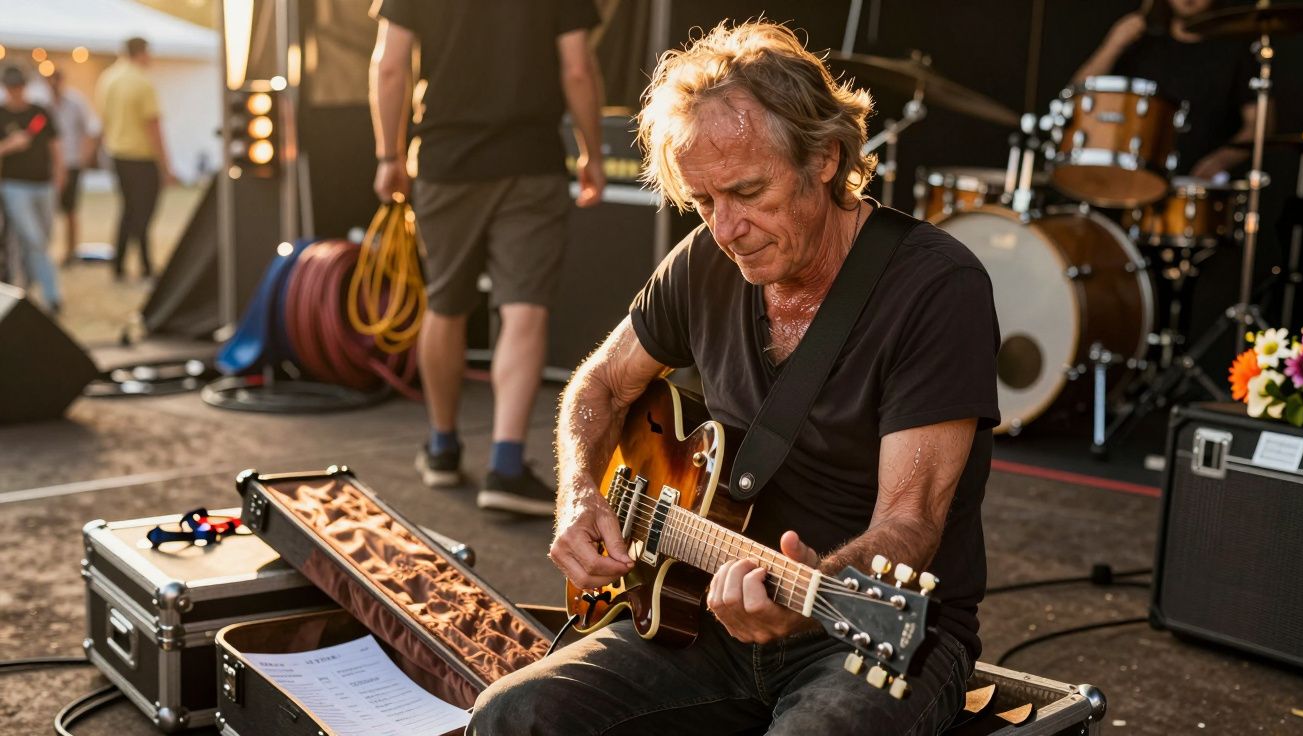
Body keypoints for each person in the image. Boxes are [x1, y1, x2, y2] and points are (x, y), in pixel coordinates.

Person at [472, 21, 1000, 735]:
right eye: (703, 202)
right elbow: (599, 386)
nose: (725, 230)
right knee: (511, 714)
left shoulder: (936, 288)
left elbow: (909, 524)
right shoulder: (705, 261)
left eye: (748, 192)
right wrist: (579, 496)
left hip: (868, 632)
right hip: (699, 615)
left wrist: (807, 593)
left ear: (825, 157)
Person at [369, 0, 606, 515]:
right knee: (524, 308)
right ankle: (506, 465)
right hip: (531, 162)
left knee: (445, 302)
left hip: (446, 162)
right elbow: (578, 68)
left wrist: (389, 156)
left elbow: (390, 65)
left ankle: (442, 448)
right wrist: (591, 151)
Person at [1072, 0, 1260, 179]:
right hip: (1133, 180)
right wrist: (1113, 45)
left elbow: (1259, 123)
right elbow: (1076, 96)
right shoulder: (1142, 45)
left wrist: (1221, 160)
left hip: (1199, 187)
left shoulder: (1234, 51)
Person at [96, 37, 174, 281]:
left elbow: (104, 119)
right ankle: (145, 265)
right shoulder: (142, 82)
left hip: (118, 155)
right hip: (141, 157)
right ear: (141, 53)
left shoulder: (108, 78)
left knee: (129, 209)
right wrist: (166, 166)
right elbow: (153, 126)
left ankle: (120, 264)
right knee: (143, 213)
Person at [0, 65, 64, 313]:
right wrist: (9, 145)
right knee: (32, 238)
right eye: (11, 87)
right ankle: (52, 296)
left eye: (19, 87)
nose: (15, 92)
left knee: (41, 240)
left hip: (43, 185)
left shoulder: (39, 112)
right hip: (14, 186)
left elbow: (55, 145)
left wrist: (59, 174)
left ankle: (27, 285)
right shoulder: (1, 114)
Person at [47, 68, 101, 267]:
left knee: (70, 209)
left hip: (71, 162)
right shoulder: (42, 105)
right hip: (47, 165)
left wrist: (85, 157)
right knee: (46, 209)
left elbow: (91, 130)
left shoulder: (76, 102)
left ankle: (71, 252)